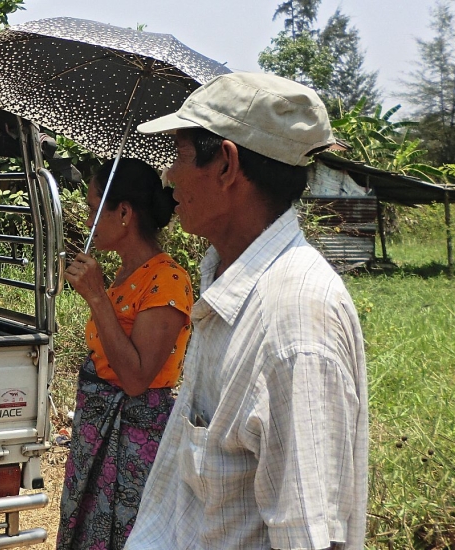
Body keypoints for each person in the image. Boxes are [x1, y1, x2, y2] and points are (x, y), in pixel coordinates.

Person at [123, 73, 368, 550]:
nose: (169, 175)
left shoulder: (294, 323)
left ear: (226, 164)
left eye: (179, 154)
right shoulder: (228, 286)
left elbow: (305, 538)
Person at [57, 159, 193, 550]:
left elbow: (135, 379)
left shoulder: (166, 280)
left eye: (92, 210)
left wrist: (97, 298)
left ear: (123, 213)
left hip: (134, 441)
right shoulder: (121, 277)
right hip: (97, 432)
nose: (87, 223)